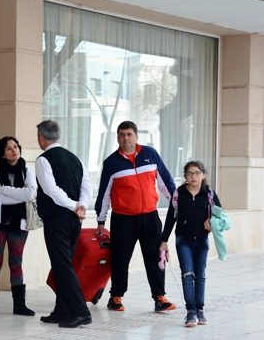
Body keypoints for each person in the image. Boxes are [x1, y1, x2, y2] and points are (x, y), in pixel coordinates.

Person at [94, 120, 177, 313]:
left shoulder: (150, 154)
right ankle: (116, 296)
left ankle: (159, 297)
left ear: (136, 136)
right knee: (120, 259)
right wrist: (100, 220)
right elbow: (104, 193)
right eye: (122, 135)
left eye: (129, 134)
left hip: (150, 217)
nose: (126, 138)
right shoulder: (111, 163)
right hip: (123, 219)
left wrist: (177, 203)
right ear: (117, 138)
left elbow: (166, 182)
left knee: (155, 256)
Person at [34, 120, 92, 328]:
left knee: (63, 266)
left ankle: (80, 311)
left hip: (57, 219)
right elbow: (87, 186)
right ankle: (62, 310)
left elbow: (51, 190)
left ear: (41, 137)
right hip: (74, 220)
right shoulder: (75, 159)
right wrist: (81, 205)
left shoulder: (43, 160)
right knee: (63, 264)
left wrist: (73, 205)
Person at [160, 161, 221, 327]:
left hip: (202, 240)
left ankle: (200, 310)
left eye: (196, 173)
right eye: (189, 173)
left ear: (204, 175)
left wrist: (211, 223)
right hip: (183, 240)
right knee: (187, 274)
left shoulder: (209, 194)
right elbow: (171, 217)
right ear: (185, 176)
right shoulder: (179, 194)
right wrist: (164, 240)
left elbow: (220, 215)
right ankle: (190, 312)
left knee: (200, 275)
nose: (193, 177)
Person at [0, 136, 37, 317]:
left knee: (16, 263)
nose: (14, 150)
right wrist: (15, 195)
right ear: (2, 154)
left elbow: (29, 195)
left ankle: (19, 306)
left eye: (16, 146)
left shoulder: (27, 171)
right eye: (8, 148)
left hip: (19, 223)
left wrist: (4, 190)